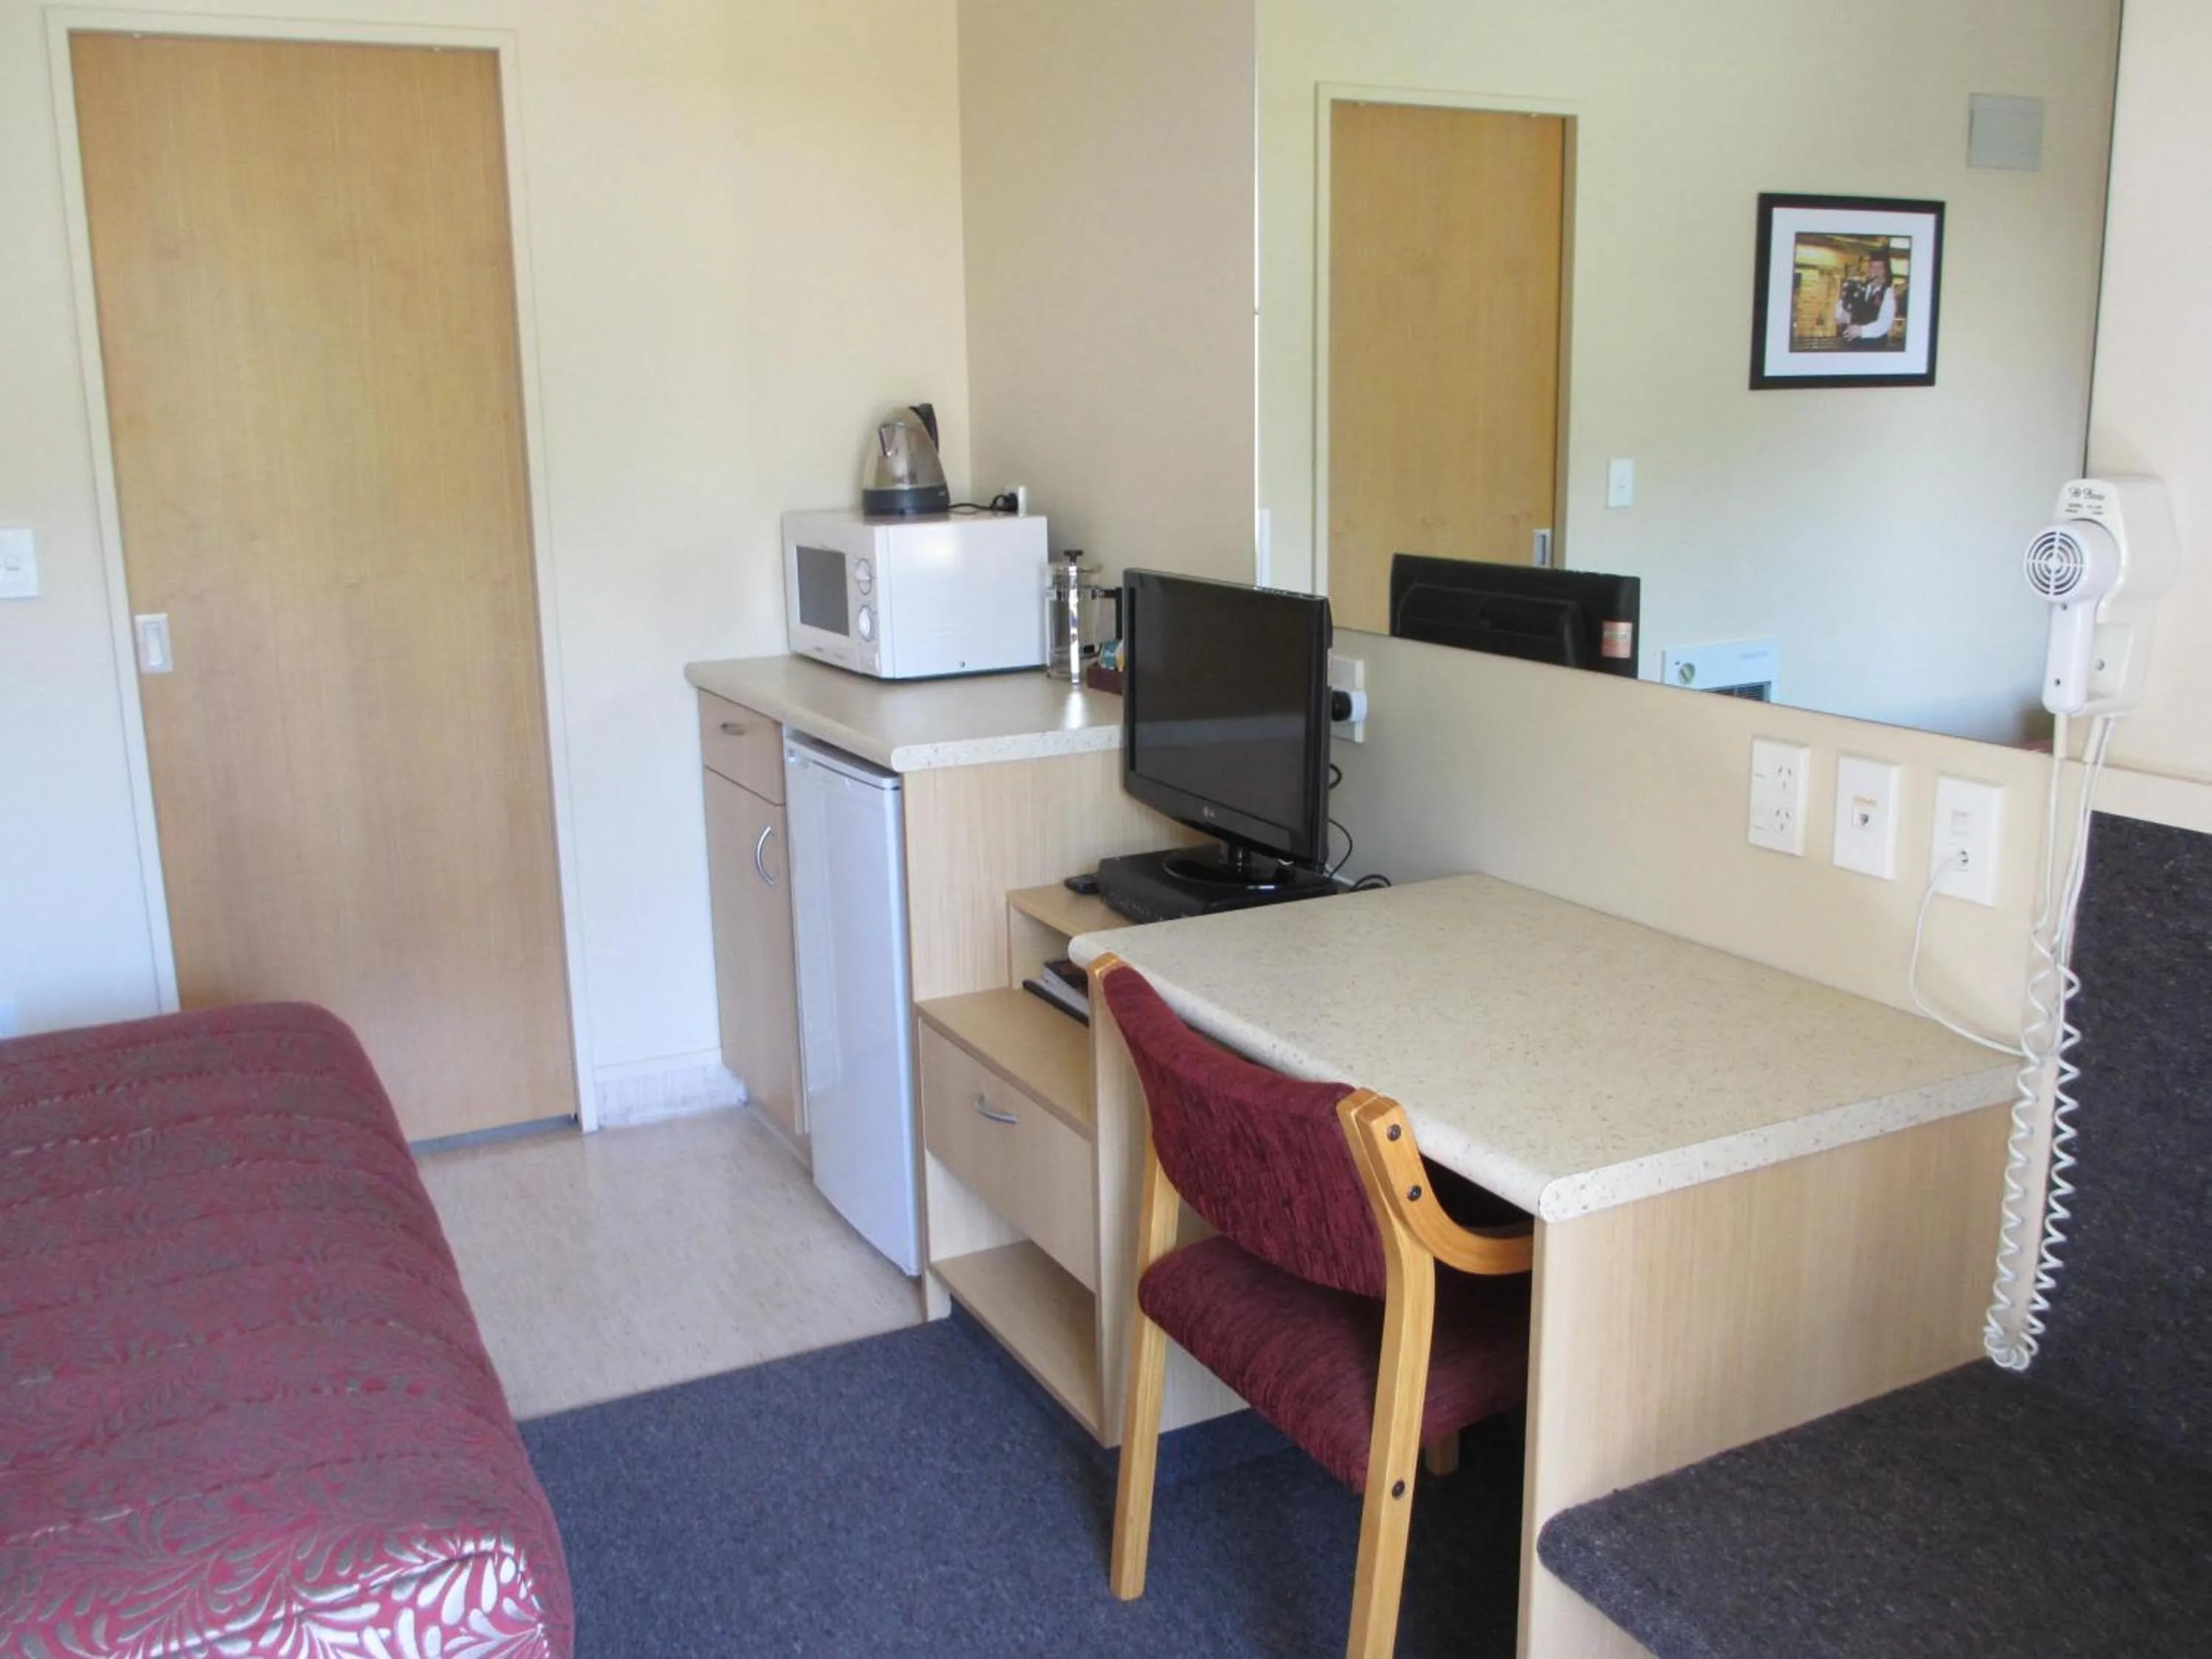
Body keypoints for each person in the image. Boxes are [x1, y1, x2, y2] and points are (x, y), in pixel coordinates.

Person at [1834, 249, 1899, 349]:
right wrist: (1842, 314)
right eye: (1872, 267)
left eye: (1879, 268)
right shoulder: (1859, 288)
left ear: (1885, 272)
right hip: (1850, 347)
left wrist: (1861, 331)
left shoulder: (1887, 293)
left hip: (1873, 349)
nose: (1875, 272)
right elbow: (1841, 307)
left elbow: (1884, 323)